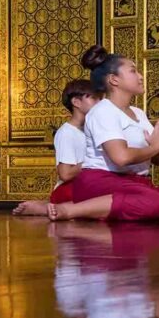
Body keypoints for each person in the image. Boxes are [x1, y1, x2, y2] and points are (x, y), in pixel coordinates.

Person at [48, 46, 159, 222]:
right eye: (133, 71)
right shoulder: (102, 111)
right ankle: (73, 210)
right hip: (101, 182)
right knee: (152, 201)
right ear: (114, 80)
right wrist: (155, 146)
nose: (141, 76)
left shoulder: (139, 113)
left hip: (137, 183)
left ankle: (156, 210)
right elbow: (121, 157)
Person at [12, 80, 99, 216]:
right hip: (71, 188)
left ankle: (48, 205)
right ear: (76, 102)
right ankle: (44, 208)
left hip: (89, 184)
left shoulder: (94, 130)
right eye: (94, 98)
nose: (99, 102)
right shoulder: (67, 133)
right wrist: (94, 162)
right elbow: (65, 174)